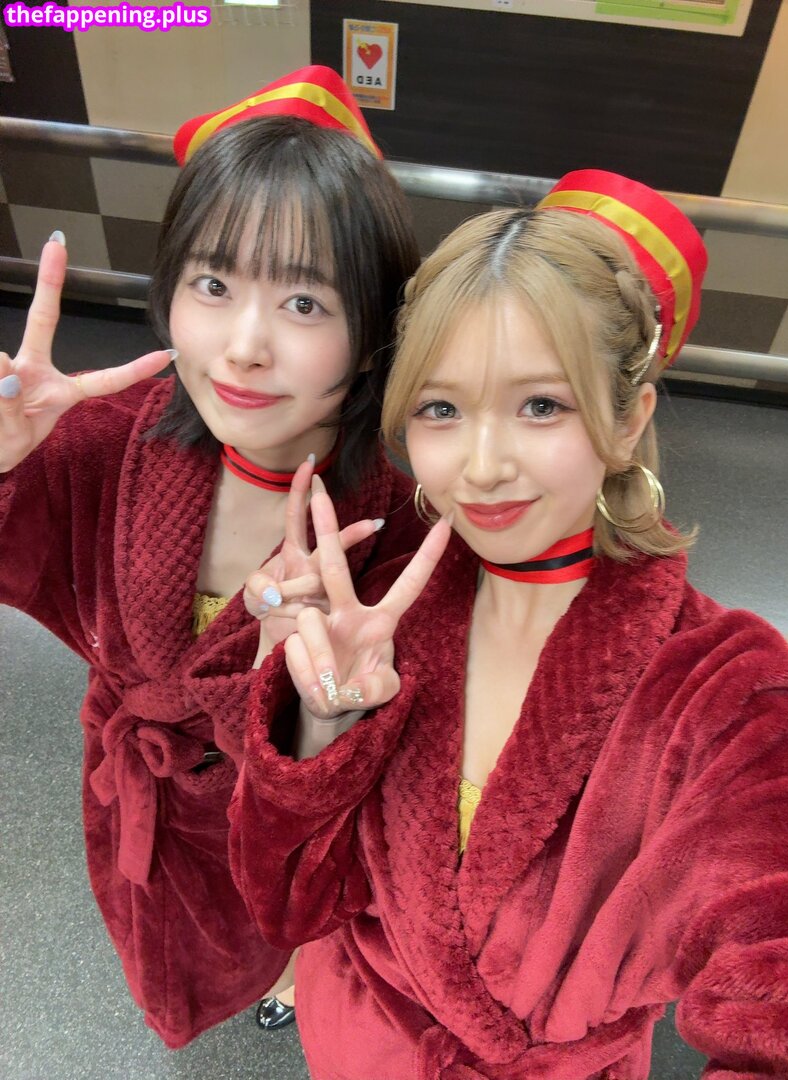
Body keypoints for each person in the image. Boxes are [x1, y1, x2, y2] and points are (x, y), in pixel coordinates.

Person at [230, 170, 788, 1078]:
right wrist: (320, 722)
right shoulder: (381, 606)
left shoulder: (729, 692)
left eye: (542, 405)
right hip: (351, 1040)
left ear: (629, 419)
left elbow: (784, 985)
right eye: (441, 409)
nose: (483, 464)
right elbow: (289, 903)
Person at [0, 66, 423, 1048]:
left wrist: (303, 706)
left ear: (372, 334)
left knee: (291, 922)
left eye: (305, 303)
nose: (242, 347)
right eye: (214, 285)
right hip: (140, 803)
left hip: (271, 838)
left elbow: (384, 782)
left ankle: (295, 963)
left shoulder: (396, 532)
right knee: (168, 934)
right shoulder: (105, 441)